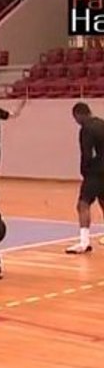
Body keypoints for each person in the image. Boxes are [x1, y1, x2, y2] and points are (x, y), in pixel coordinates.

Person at [65, 102, 104, 254]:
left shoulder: (86, 129)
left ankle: (84, 242)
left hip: (95, 172)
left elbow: (86, 153)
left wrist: (84, 170)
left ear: (79, 114)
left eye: (75, 118)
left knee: (83, 204)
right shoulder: (102, 123)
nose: (76, 121)